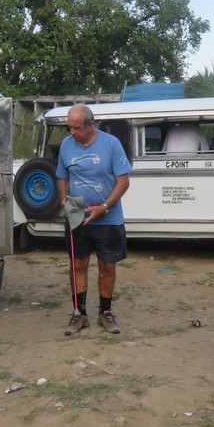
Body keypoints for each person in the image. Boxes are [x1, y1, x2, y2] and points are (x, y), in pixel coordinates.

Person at [57, 104, 132, 336]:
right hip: (76, 214)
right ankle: (79, 314)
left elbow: (123, 181)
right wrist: (63, 198)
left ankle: (105, 312)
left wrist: (104, 207)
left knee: (107, 266)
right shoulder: (66, 144)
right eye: (69, 127)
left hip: (108, 216)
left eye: (77, 128)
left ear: (90, 125)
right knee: (78, 264)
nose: (72, 133)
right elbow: (62, 175)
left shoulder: (111, 144)